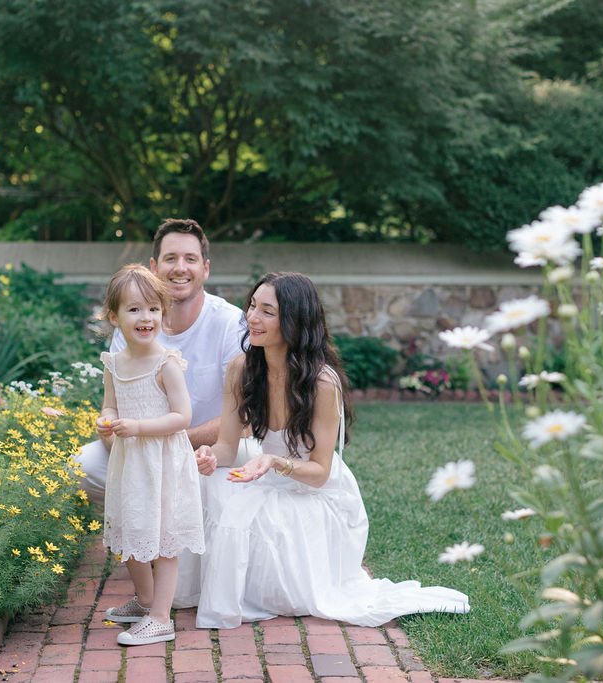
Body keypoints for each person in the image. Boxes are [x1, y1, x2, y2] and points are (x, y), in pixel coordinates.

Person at [193, 272, 470, 629]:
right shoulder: (241, 368)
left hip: (316, 491)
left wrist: (275, 461)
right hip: (269, 474)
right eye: (251, 306)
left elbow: (321, 473)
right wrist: (211, 458)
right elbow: (228, 448)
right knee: (209, 486)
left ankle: (267, 587)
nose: (252, 318)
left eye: (267, 311)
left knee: (250, 510)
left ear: (294, 321)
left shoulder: (322, 383)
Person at [71, 218, 256, 612]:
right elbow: (117, 399)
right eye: (170, 258)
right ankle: (145, 575)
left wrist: (162, 444)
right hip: (142, 446)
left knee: (176, 494)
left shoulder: (229, 323)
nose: (180, 267)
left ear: (206, 268)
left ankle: (167, 583)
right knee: (81, 464)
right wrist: (114, 433)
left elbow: (247, 416)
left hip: (213, 448)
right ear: (153, 267)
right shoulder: (132, 322)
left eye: (190, 258)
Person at [96, 264, 203, 646]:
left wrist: (139, 427)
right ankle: (144, 601)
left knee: (162, 540)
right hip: (131, 464)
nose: (146, 318)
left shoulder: (166, 363)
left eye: (154, 309)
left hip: (163, 464)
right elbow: (111, 404)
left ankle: (161, 617)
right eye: (135, 309)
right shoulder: (114, 364)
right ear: (114, 317)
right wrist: (107, 420)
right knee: (130, 533)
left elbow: (182, 417)